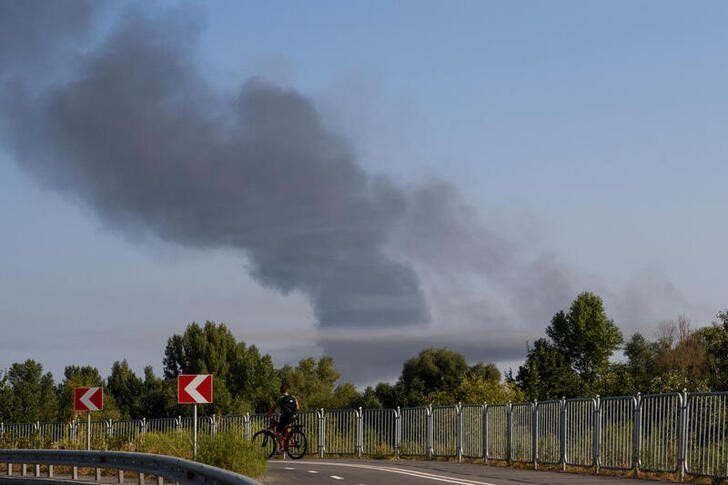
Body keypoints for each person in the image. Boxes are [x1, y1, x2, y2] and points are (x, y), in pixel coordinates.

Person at [267, 384, 299, 451]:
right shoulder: (293, 397)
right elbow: (298, 407)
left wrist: (269, 414)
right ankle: (293, 441)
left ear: (280, 390)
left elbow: (273, 408)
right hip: (294, 416)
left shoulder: (280, 398)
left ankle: (282, 448)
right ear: (287, 390)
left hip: (285, 417)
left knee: (278, 432)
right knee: (286, 428)